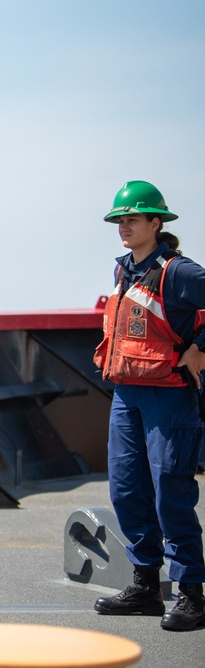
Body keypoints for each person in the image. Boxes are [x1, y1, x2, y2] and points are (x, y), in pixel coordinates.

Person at [93, 180, 205, 631]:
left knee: (170, 492)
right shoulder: (125, 270)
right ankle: (144, 586)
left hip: (168, 396)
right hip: (127, 394)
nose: (124, 226)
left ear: (156, 223)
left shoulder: (177, 272)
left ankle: (192, 595)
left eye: (133, 219)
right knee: (126, 489)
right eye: (120, 219)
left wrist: (200, 346)